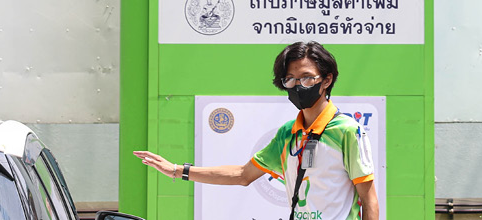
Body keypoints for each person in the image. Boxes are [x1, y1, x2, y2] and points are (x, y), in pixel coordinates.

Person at [133, 41, 378, 220]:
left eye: (306, 78)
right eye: (290, 79)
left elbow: (369, 199)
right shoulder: (287, 134)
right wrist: (177, 170)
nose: (297, 85)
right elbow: (242, 174)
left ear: (326, 80)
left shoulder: (346, 131)